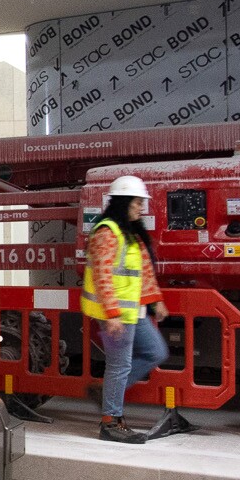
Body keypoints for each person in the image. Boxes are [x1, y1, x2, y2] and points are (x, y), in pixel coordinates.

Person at [82, 174, 169, 443]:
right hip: (116, 315)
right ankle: (110, 422)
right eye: (137, 202)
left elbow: (144, 272)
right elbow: (102, 276)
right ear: (123, 202)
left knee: (155, 352)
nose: (142, 207)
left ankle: (105, 393)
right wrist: (112, 315)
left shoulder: (131, 233)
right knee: (119, 366)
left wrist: (156, 300)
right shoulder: (107, 232)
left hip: (133, 313)